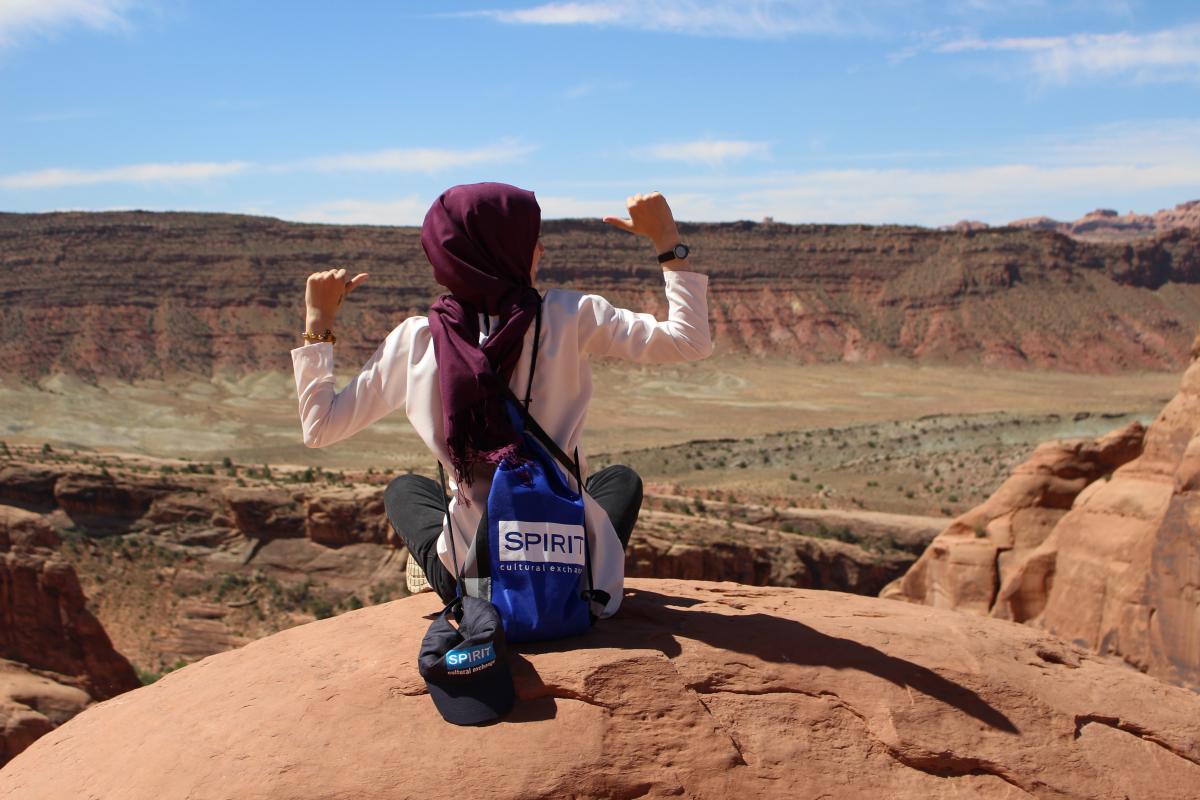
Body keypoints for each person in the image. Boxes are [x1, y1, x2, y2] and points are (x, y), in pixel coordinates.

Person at [290, 183, 712, 619]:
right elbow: (690, 341)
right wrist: (667, 242)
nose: (542, 251)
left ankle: (441, 568)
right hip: (577, 572)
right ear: (505, 250)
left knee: (405, 489)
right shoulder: (571, 316)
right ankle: (573, 576)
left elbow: (319, 428)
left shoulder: (416, 340)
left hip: (477, 583)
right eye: (532, 240)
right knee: (620, 479)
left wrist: (318, 323)